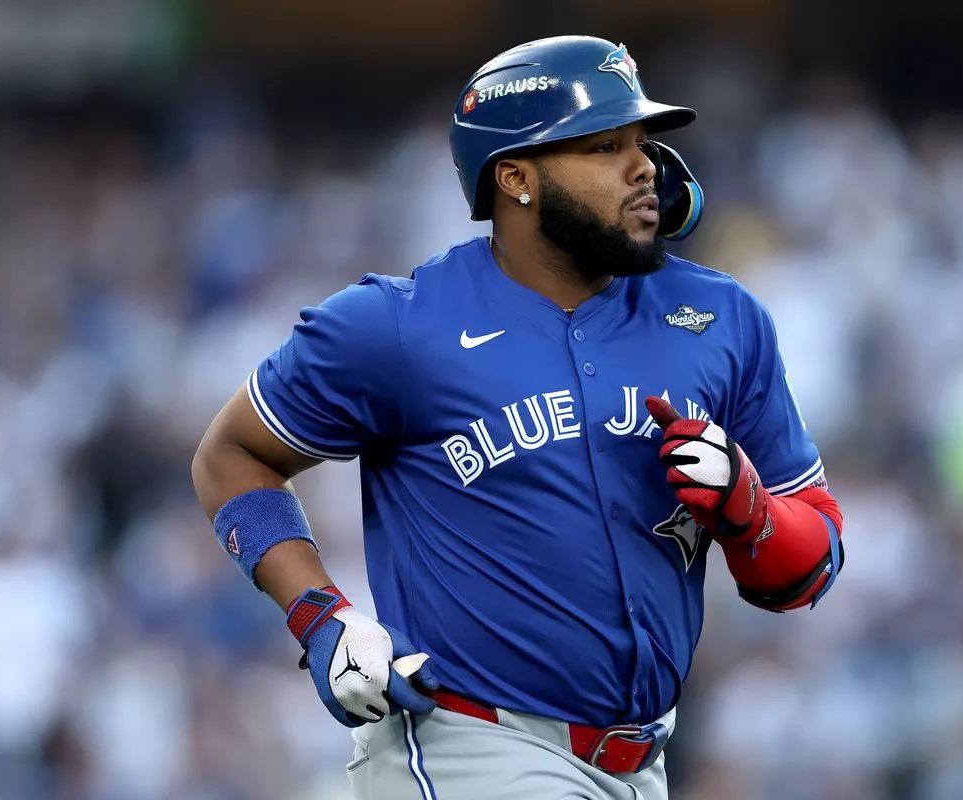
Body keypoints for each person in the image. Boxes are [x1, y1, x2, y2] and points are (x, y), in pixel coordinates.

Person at [191, 34, 845, 800]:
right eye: (604, 146)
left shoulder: (720, 317)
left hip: (643, 765)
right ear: (517, 179)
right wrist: (320, 614)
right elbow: (230, 455)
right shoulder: (397, 326)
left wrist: (750, 510)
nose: (643, 167)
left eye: (642, 142)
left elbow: (811, 564)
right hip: (474, 746)